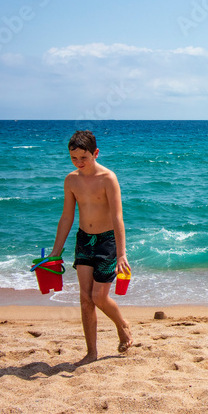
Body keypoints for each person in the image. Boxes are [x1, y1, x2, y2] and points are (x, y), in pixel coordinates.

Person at [50, 130, 133, 364]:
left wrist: (121, 254)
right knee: (85, 298)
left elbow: (118, 218)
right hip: (84, 240)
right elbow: (67, 217)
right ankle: (91, 353)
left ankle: (122, 323)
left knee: (98, 296)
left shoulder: (108, 178)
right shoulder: (71, 180)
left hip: (107, 242)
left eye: (83, 158)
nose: (79, 163)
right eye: (74, 158)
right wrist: (56, 252)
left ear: (95, 153)